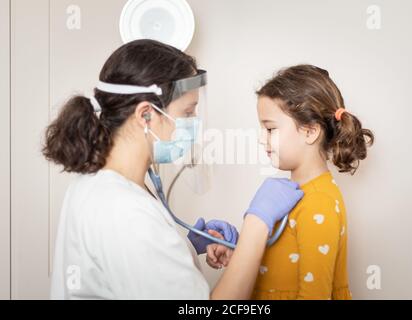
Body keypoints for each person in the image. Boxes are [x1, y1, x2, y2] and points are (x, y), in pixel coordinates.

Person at [42, 39, 303, 300]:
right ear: (145, 115)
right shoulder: (125, 211)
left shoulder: (98, 184)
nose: (194, 124)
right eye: (188, 112)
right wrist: (256, 227)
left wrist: (185, 245)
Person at [207, 65, 374, 300]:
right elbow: (280, 268)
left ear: (310, 132)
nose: (260, 138)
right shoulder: (290, 195)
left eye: (270, 128)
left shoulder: (319, 203)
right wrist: (238, 250)